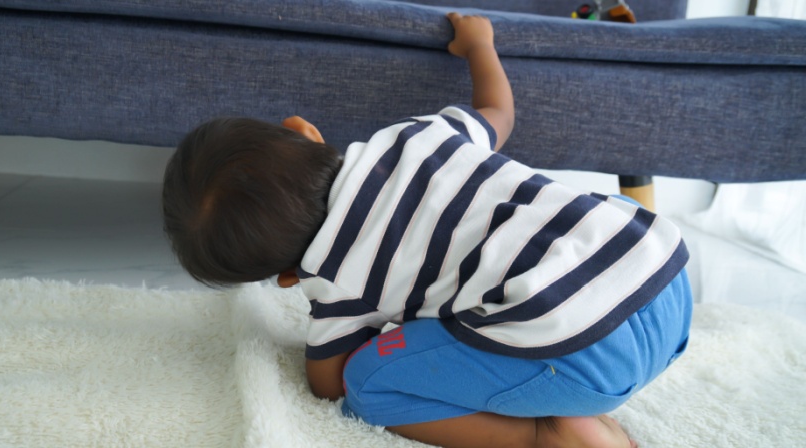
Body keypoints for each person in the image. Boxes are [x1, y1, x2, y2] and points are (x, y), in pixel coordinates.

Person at [162, 12, 692, 448]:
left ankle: (544, 434)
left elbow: (325, 386)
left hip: (586, 360)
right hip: (663, 274)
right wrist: (479, 45)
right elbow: (497, 113)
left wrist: (333, 312)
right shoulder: (416, 135)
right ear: (303, 131)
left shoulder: (336, 281)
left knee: (367, 384)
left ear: (283, 277)